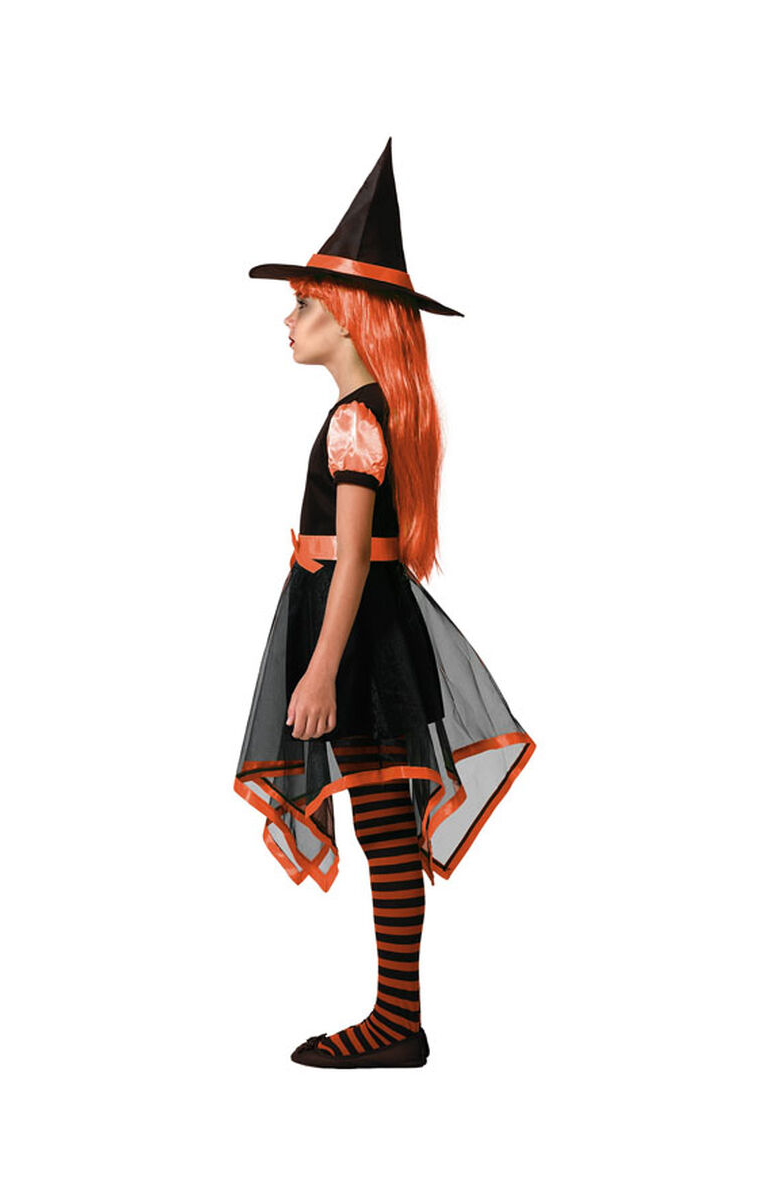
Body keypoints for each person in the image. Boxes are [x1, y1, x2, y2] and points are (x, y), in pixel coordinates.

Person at [233, 138, 536, 1069]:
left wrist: (322, 668)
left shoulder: (355, 422)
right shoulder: (362, 414)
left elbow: (357, 560)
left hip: (356, 639)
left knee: (384, 825)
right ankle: (396, 1015)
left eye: (305, 305)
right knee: (382, 822)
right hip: (357, 630)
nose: (289, 320)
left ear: (350, 320)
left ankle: (397, 1022)